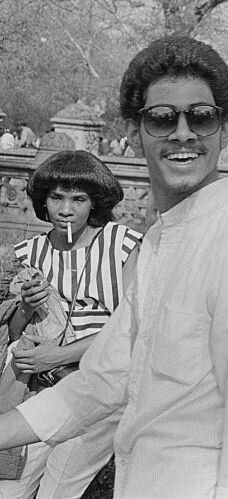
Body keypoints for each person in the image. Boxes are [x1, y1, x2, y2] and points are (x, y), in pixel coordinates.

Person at [0, 35, 228, 498]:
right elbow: (107, 380)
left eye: (200, 117)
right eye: (162, 119)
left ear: (225, 130)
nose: (183, 133)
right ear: (136, 131)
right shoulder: (158, 243)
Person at [0, 150, 141, 499]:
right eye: (56, 198)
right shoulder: (29, 252)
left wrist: (59, 355)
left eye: (79, 199)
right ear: (43, 202)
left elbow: (131, 327)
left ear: (95, 203)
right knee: (10, 489)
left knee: (58, 489)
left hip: (96, 382)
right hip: (32, 384)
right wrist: (27, 307)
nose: (66, 209)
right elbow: (16, 332)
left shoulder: (121, 244)